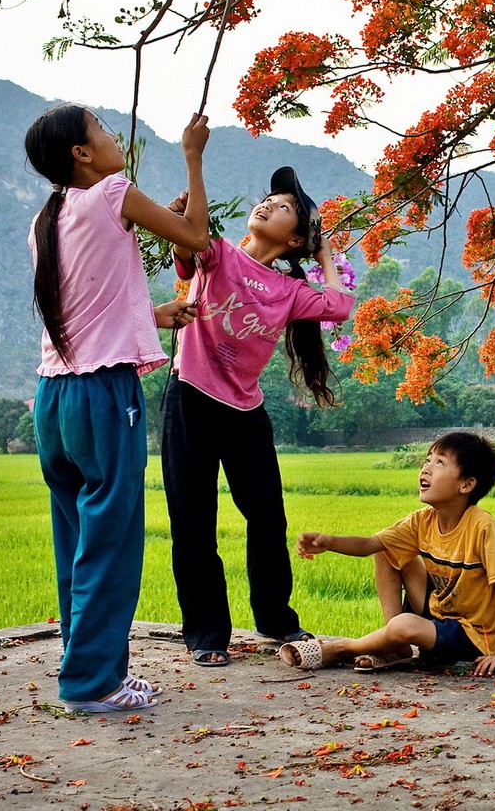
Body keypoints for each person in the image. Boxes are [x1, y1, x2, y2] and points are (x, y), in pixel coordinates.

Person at [25, 104, 213, 713]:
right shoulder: (112, 192)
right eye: (102, 132)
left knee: (77, 537)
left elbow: (85, 305)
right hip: (104, 396)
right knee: (111, 541)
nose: (113, 139)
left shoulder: (46, 218)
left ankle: (85, 667)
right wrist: (193, 155)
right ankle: (93, 685)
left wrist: (154, 316)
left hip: (54, 397)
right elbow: (196, 241)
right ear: (82, 154)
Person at [161, 166, 355, 667]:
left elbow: (338, 305)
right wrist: (193, 170)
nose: (269, 203)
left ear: (294, 240)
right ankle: (206, 633)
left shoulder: (289, 291)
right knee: (193, 520)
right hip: (190, 396)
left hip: (245, 409)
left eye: (284, 205)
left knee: (267, 517)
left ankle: (276, 618)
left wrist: (324, 252)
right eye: (268, 197)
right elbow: (188, 244)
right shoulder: (219, 253)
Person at [281, 431, 495, 677]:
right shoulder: (422, 521)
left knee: (404, 624)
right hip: (438, 613)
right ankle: (396, 645)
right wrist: (329, 542)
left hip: (469, 634)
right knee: (386, 550)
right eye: (428, 460)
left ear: (467, 484)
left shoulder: (483, 527)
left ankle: (342, 648)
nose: (426, 469)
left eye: (440, 462)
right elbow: (370, 545)